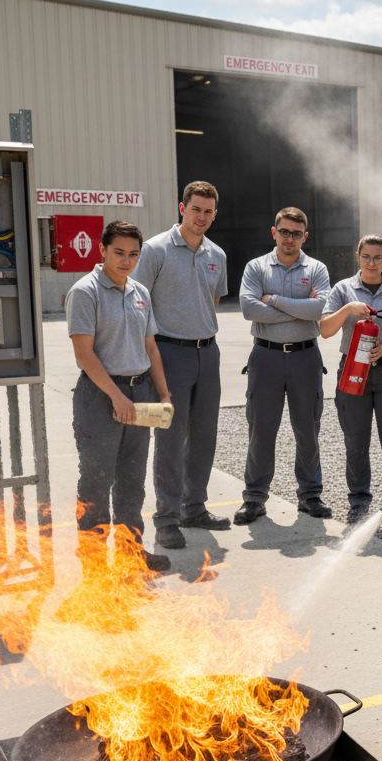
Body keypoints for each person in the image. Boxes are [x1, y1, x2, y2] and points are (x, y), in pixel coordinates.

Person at [65, 221, 172, 571]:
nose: (126, 261)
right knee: (96, 484)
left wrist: (164, 393)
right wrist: (116, 397)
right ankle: (95, 568)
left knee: (131, 481)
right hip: (99, 397)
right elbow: (84, 354)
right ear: (102, 250)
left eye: (133, 255)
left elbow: (151, 348)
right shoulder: (85, 291)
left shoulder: (140, 292)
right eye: (119, 253)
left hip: (138, 393)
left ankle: (131, 557)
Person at [132, 180, 229, 550]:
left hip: (208, 352)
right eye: (195, 209)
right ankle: (167, 519)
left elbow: (211, 304)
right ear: (181, 208)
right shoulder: (155, 251)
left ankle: (195, 508)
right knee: (171, 438)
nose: (201, 217)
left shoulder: (216, 255)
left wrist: (200, 338)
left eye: (208, 211)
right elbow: (137, 304)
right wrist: (150, 357)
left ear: (214, 214)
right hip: (169, 354)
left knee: (204, 436)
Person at [235, 207, 332, 524]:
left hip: (306, 357)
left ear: (305, 236)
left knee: (308, 430)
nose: (289, 238)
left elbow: (319, 308)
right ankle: (254, 498)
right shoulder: (256, 267)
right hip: (266, 358)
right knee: (261, 431)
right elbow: (250, 309)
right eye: (284, 231)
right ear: (273, 232)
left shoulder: (316, 268)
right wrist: (301, 309)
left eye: (296, 233)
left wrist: (273, 300)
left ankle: (310, 495)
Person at [322, 235, 382, 525]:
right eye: (366, 257)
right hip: (353, 371)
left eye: (377, 258)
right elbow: (325, 329)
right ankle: (359, 502)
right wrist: (349, 309)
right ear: (357, 256)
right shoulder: (343, 289)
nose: (371, 263)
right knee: (356, 440)